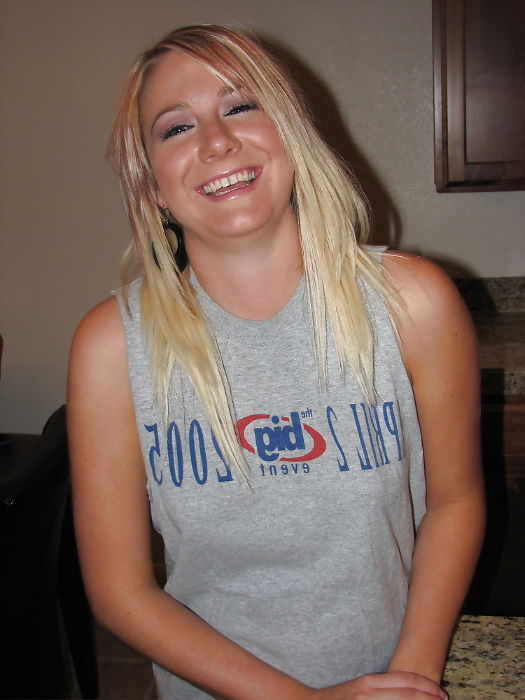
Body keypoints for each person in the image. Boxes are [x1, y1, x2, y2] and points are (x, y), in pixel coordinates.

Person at [68, 25, 485, 700]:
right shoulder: (111, 346)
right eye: (177, 128)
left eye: (239, 105)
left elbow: (455, 502)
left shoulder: (413, 304)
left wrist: (408, 678)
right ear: (152, 187)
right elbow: (120, 592)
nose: (215, 141)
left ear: (291, 133)